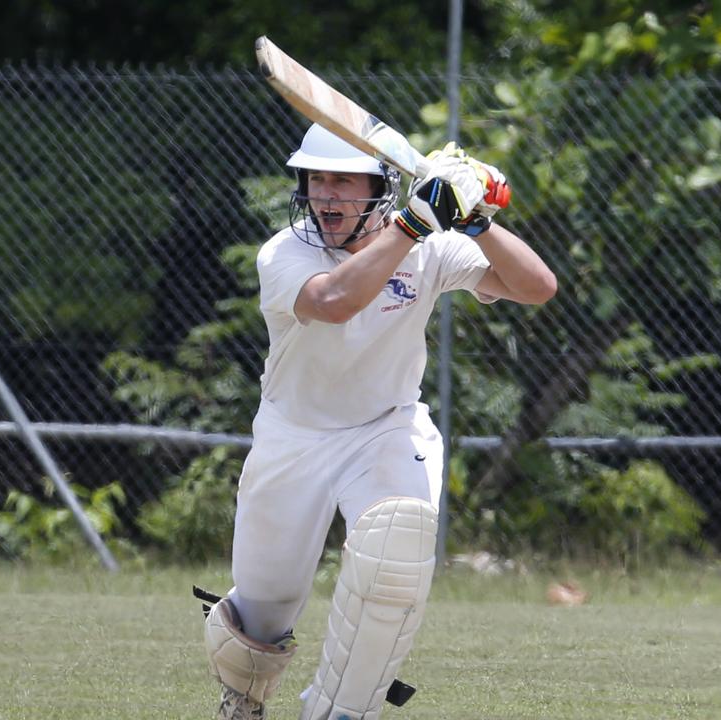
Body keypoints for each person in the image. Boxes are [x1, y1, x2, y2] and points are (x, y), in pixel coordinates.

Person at [203, 124, 557, 720]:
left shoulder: (428, 249)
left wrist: (473, 220)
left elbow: (536, 287)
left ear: (380, 188)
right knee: (261, 614)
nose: (327, 194)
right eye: (317, 179)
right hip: (295, 437)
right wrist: (416, 223)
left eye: (343, 179)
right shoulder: (285, 253)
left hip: (385, 429)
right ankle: (244, 697)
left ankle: (339, 712)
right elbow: (337, 302)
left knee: (395, 555)